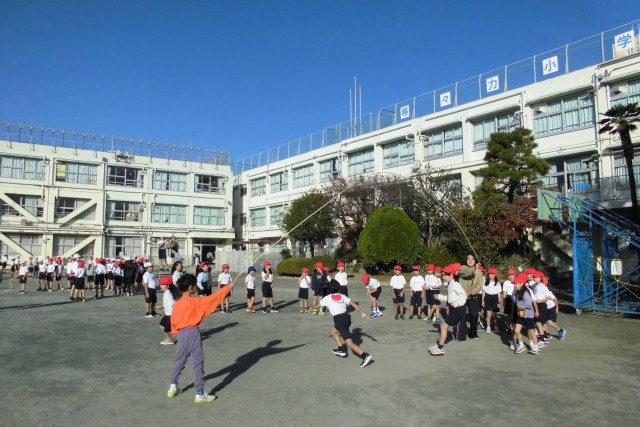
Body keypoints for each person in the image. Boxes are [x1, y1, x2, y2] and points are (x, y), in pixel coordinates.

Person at [167, 274, 235, 403]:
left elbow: (173, 321)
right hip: (192, 333)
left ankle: (173, 387)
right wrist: (227, 288)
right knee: (198, 362)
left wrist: (177, 333)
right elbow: (213, 299)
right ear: (190, 287)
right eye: (195, 285)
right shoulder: (195, 301)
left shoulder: (178, 303)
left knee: (179, 361)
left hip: (181, 333)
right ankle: (199, 393)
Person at [308, 279, 373, 368]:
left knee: (349, 343)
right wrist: (362, 312)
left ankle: (365, 355)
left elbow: (316, 306)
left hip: (339, 320)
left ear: (328, 290)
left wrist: (312, 307)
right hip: (346, 317)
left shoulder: (327, 298)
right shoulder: (342, 296)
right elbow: (353, 303)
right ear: (338, 288)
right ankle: (341, 349)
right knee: (334, 331)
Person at [428, 264, 467, 356]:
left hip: (459, 310)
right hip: (455, 309)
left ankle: (440, 348)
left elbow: (464, 296)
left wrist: (457, 304)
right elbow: (450, 298)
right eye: (443, 275)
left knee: (443, 326)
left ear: (452, 275)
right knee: (443, 326)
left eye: (446, 275)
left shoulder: (455, 285)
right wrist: (439, 296)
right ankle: (438, 345)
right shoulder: (451, 284)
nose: (444, 277)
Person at [511, 272, 541, 355]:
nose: (514, 285)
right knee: (516, 330)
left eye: (516, 284)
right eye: (514, 284)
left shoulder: (526, 293)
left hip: (528, 315)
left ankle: (536, 347)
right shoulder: (517, 292)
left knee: (531, 331)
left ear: (521, 283)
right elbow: (515, 300)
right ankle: (521, 345)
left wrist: (518, 304)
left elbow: (528, 304)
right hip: (520, 314)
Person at [458, 254, 484, 340]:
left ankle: (472, 333)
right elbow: (467, 273)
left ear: (475, 260)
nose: (470, 261)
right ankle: (460, 335)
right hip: (462, 295)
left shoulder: (479, 272)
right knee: (462, 315)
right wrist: (474, 268)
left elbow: (480, 283)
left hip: (472, 296)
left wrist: (475, 290)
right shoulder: (463, 268)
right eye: (468, 259)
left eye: (472, 259)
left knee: (474, 315)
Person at [159, 276, 181, 345]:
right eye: (160, 284)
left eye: (162, 284)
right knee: (162, 326)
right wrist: (160, 306)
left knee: (166, 330)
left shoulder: (168, 294)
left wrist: (175, 315)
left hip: (170, 315)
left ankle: (169, 339)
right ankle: (170, 337)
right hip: (167, 314)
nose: (160, 285)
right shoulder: (166, 292)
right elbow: (167, 303)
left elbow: (173, 304)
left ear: (167, 286)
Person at [482, 267, 501, 334]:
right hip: (487, 298)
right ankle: (488, 327)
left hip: (495, 298)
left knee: (494, 314)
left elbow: (499, 293)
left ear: (495, 275)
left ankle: (496, 326)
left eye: (493, 274)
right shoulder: (485, 282)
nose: (491, 275)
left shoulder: (497, 283)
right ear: (488, 274)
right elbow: (483, 292)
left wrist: (499, 302)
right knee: (488, 314)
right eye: (490, 273)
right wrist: (482, 301)